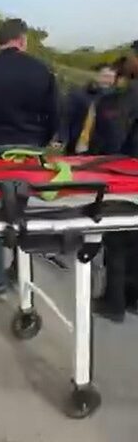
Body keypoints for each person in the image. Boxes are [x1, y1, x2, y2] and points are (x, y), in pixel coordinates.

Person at [0, 18, 59, 296]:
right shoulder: (42, 70)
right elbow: (55, 114)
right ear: (21, 39)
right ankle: (21, 271)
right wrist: (40, 143)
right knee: (25, 211)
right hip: (30, 150)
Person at [90, 56, 138, 323]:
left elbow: (112, 138)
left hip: (126, 175)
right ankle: (133, 298)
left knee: (118, 239)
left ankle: (114, 302)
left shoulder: (123, 98)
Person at [62, 63, 116, 154]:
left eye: (112, 77)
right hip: (78, 142)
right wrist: (62, 136)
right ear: (96, 76)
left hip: (104, 147)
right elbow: (67, 116)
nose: (108, 80)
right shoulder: (79, 94)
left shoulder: (117, 98)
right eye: (105, 76)